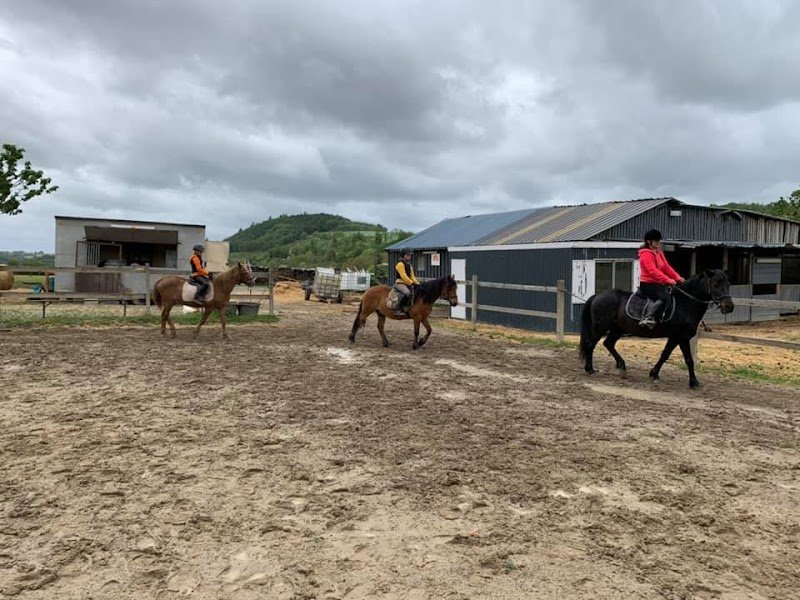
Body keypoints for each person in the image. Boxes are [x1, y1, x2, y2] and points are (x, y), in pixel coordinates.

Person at [638, 229, 684, 328]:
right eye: (656, 241)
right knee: (665, 297)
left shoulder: (659, 252)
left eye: (659, 240)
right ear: (649, 241)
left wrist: (677, 277)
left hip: (658, 283)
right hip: (648, 284)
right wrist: (668, 280)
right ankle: (648, 317)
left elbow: (666, 267)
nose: (659, 242)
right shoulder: (646, 254)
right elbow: (653, 271)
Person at [394, 248, 419, 315]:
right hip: (400, 283)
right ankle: (398, 309)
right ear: (403, 255)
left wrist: (417, 283)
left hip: (408, 283)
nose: (409, 256)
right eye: (407, 255)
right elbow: (403, 276)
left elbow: (412, 276)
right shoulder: (400, 264)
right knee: (407, 293)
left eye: (409, 255)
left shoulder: (409, 265)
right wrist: (411, 282)